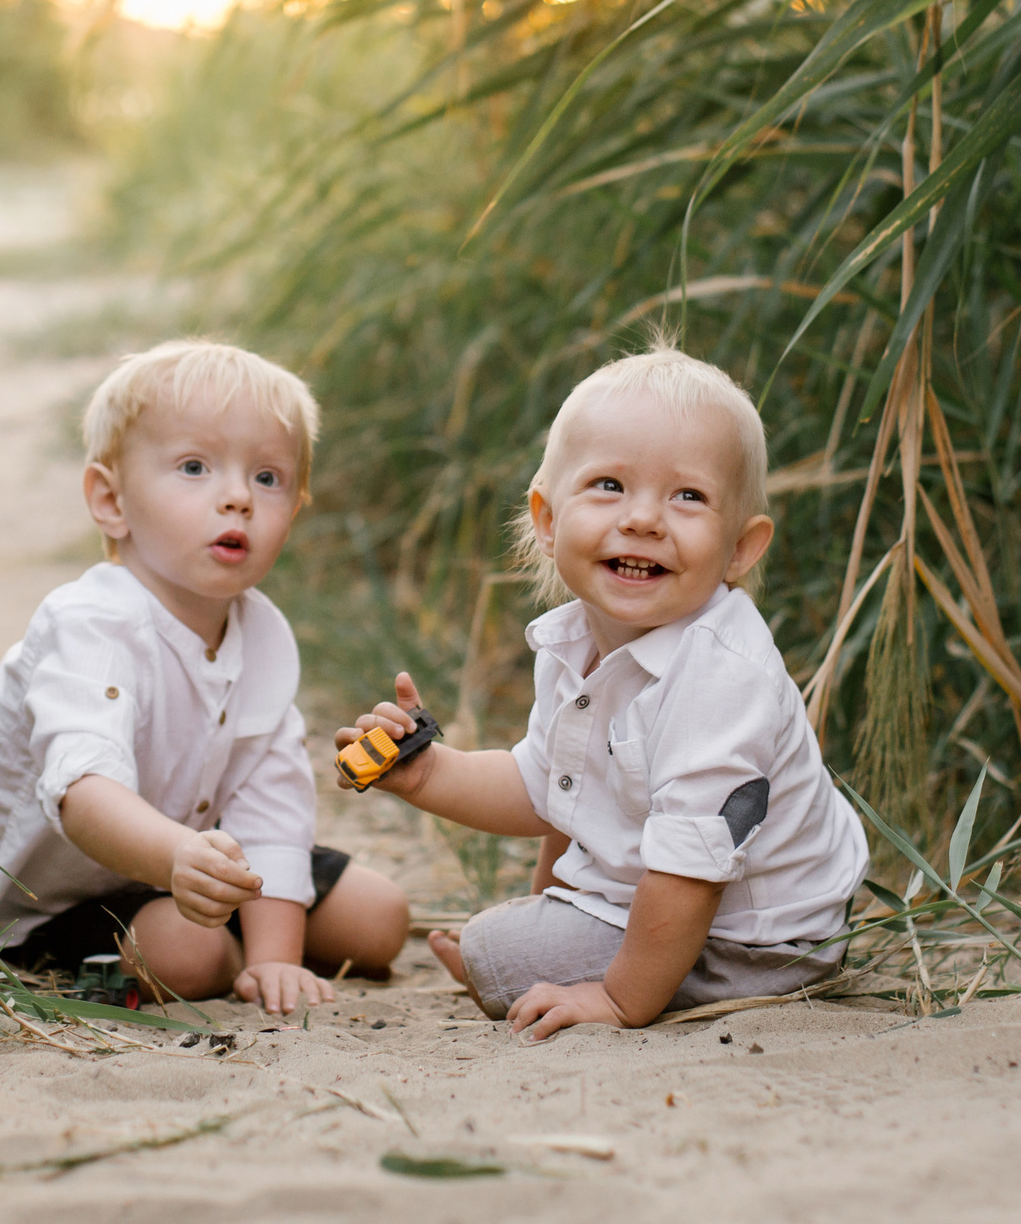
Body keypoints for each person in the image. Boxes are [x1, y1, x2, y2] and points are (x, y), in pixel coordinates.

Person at [339, 345, 867, 1039]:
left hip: (757, 941)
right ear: (547, 520)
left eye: (688, 496)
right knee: (516, 932)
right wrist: (428, 773)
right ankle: (541, 944)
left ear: (740, 548)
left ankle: (533, 962)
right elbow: (546, 788)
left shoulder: (717, 676)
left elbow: (693, 867)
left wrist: (618, 1000)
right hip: (676, 902)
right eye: (610, 485)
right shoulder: (574, 645)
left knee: (493, 951)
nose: (644, 519)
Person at [0, 339, 408, 1014]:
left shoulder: (262, 637)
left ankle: (238, 953)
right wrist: (177, 859)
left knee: (380, 919)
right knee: (189, 953)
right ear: (111, 500)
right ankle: (190, 956)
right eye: (194, 467)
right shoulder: (91, 624)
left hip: (186, 867)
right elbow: (83, 791)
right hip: (49, 903)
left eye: (268, 478)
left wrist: (275, 961)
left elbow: (272, 809)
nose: (238, 497)